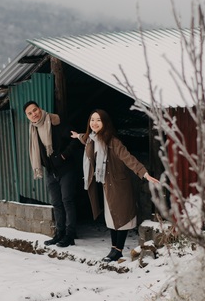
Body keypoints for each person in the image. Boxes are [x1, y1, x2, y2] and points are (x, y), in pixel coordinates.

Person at [71, 109, 159, 262]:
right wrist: (77, 136)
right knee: (111, 217)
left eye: (98, 120)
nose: (94, 123)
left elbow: (128, 158)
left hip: (118, 185)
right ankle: (114, 248)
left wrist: (144, 173)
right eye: (92, 120)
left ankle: (117, 250)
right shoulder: (91, 139)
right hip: (107, 185)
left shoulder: (113, 142)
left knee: (121, 218)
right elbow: (84, 139)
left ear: (105, 122)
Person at [24, 101, 82, 247]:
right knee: (56, 203)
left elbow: (74, 141)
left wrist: (63, 156)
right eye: (29, 113)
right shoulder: (33, 129)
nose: (34, 114)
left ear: (40, 109)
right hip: (51, 171)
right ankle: (59, 233)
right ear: (27, 117)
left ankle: (70, 235)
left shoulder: (56, 122)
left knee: (67, 200)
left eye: (35, 110)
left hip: (66, 168)